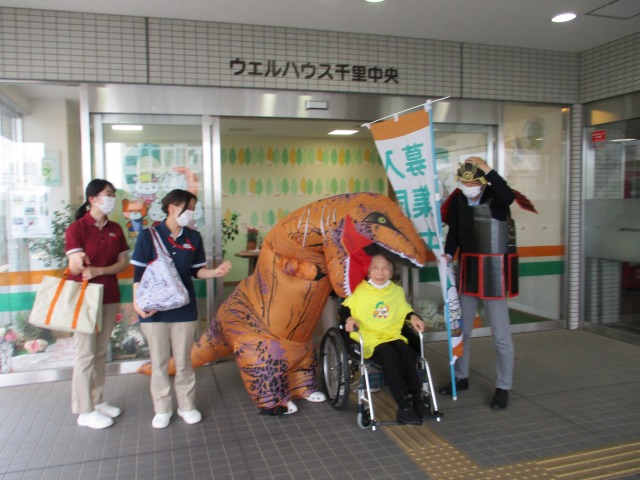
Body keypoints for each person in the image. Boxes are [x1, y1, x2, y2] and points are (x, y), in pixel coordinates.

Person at [131, 189, 232, 429]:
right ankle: (162, 409)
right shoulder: (148, 236)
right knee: (159, 363)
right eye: (190, 208)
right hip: (154, 312)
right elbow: (138, 275)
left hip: (184, 310)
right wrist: (137, 304)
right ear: (173, 207)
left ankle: (186, 406)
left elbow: (196, 271)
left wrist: (214, 273)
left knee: (184, 362)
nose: (192, 213)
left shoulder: (193, 238)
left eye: (194, 208)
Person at [438, 156, 516, 410]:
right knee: (462, 330)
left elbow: (508, 196)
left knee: (501, 335)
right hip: (468, 270)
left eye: (472, 182)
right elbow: (455, 233)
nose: (468, 186)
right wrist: (448, 254)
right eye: (464, 182)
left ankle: (503, 386)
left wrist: (488, 169)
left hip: (494, 272)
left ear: (482, 182)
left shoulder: (496, 198)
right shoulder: (459, 201)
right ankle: (460, 377)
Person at [65, 179, 130, 429]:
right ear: (92, 199)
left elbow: (122, 263)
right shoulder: (77, 228)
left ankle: (98, 400)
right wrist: (79, 261)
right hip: (85, 297)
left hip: (109, 295)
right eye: (107, 194)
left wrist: (100, 270)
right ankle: (85, 411)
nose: (111, 198)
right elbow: (73, 268)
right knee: (85, 354)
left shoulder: (115, 228)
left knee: (101, 352)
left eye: (113, 194)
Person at [341, 254, 428, 425]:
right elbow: (346, 309)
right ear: (368, 271)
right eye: (375, 267)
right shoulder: (359, 290)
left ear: (391, 272)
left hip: (392, 333)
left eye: (385, 268)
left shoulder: (396, 291)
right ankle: (403, 405)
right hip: (370, 337)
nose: (380, 272)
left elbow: (404, 310)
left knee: (407, 353)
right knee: (389, 354)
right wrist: (349, 320)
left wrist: (414, 317)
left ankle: (417, 400)